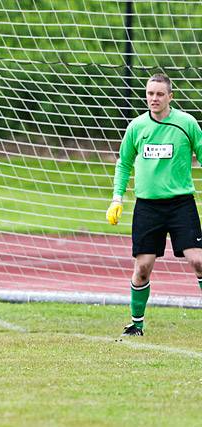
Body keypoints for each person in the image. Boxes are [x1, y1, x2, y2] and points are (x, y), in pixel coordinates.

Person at [106, 73, 202, 336]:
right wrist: (117, 198)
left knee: (199, 261)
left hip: (181, 204)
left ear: (170, 96)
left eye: (160, 94)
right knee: (143, 268)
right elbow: (124, 162)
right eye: (150, 93)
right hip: (147, 206)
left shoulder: (186, 123)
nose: (154, 98)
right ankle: (136, 324)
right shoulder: (137, 127)